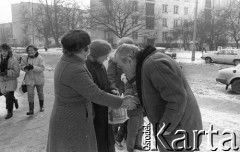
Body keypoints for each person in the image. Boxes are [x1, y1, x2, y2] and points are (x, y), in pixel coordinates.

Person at [47, 30, 137, 152]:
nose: (88, 51)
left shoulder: (73, 62)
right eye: (86, 48)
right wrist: (122, 102)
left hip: (75, 116)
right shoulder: (74, 68)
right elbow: (95, 94)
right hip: (71, 120)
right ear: (78, 48)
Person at [114, 44, 203, 152]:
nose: (123, 71)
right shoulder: (148, 63)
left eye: (121, 66)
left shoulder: (154, 64)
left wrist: (164, 129)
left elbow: (177, 99)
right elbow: (159, 93)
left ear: (129, 60)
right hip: (174, 130)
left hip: (178, 132)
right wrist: (138, 100)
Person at [85, 40, 116, 152]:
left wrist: (112, 89)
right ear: (97, 54)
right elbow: (93, 91)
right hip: (95, 111)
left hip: (104, 108)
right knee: (98, 139)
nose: (107, 58)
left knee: (108, 137)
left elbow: (106, 82)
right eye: (105, 55)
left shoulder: (100, 65)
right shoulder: (86, 67)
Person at [107, 37, 134, 150]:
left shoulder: (133, 59)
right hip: (118, 90)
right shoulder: (113, 60)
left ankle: (124, 137)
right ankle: (114, 138)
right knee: (117, 117)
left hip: (130, 89)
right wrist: (114, 89)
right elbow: (110, 76)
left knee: (129, 117)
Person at [20, 44, 45, 115]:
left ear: (35, 50)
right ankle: (31, 110)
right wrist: (25, 68)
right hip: (29, 79)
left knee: (40, 93)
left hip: (39, 79)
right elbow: (21, 66)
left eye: (31, 50)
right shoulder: (25, 58)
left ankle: (41, 106)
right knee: (30, 94)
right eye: (28, 50)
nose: (30, 51)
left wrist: (33, 67)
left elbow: (42, 68)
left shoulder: (40, 58)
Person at [122, 74, 144, 152]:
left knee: (140, 130)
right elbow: (129, 98)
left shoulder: (137, 85)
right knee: (132, 133)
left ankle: (138, 146)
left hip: (139, 112)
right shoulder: (129, 86)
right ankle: (130, 149)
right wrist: (138, 98)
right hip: (133, 113)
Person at [0, 43, 20, 119]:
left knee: (8, 96)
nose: (3, 52)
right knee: (5, 94)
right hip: (1, 81)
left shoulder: (13, 60)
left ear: (9, 51)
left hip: (10, 81)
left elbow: (17, 73)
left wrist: (6, 72)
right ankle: (14, 100)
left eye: (5, 51)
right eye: (2, 51)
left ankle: (10, 111)